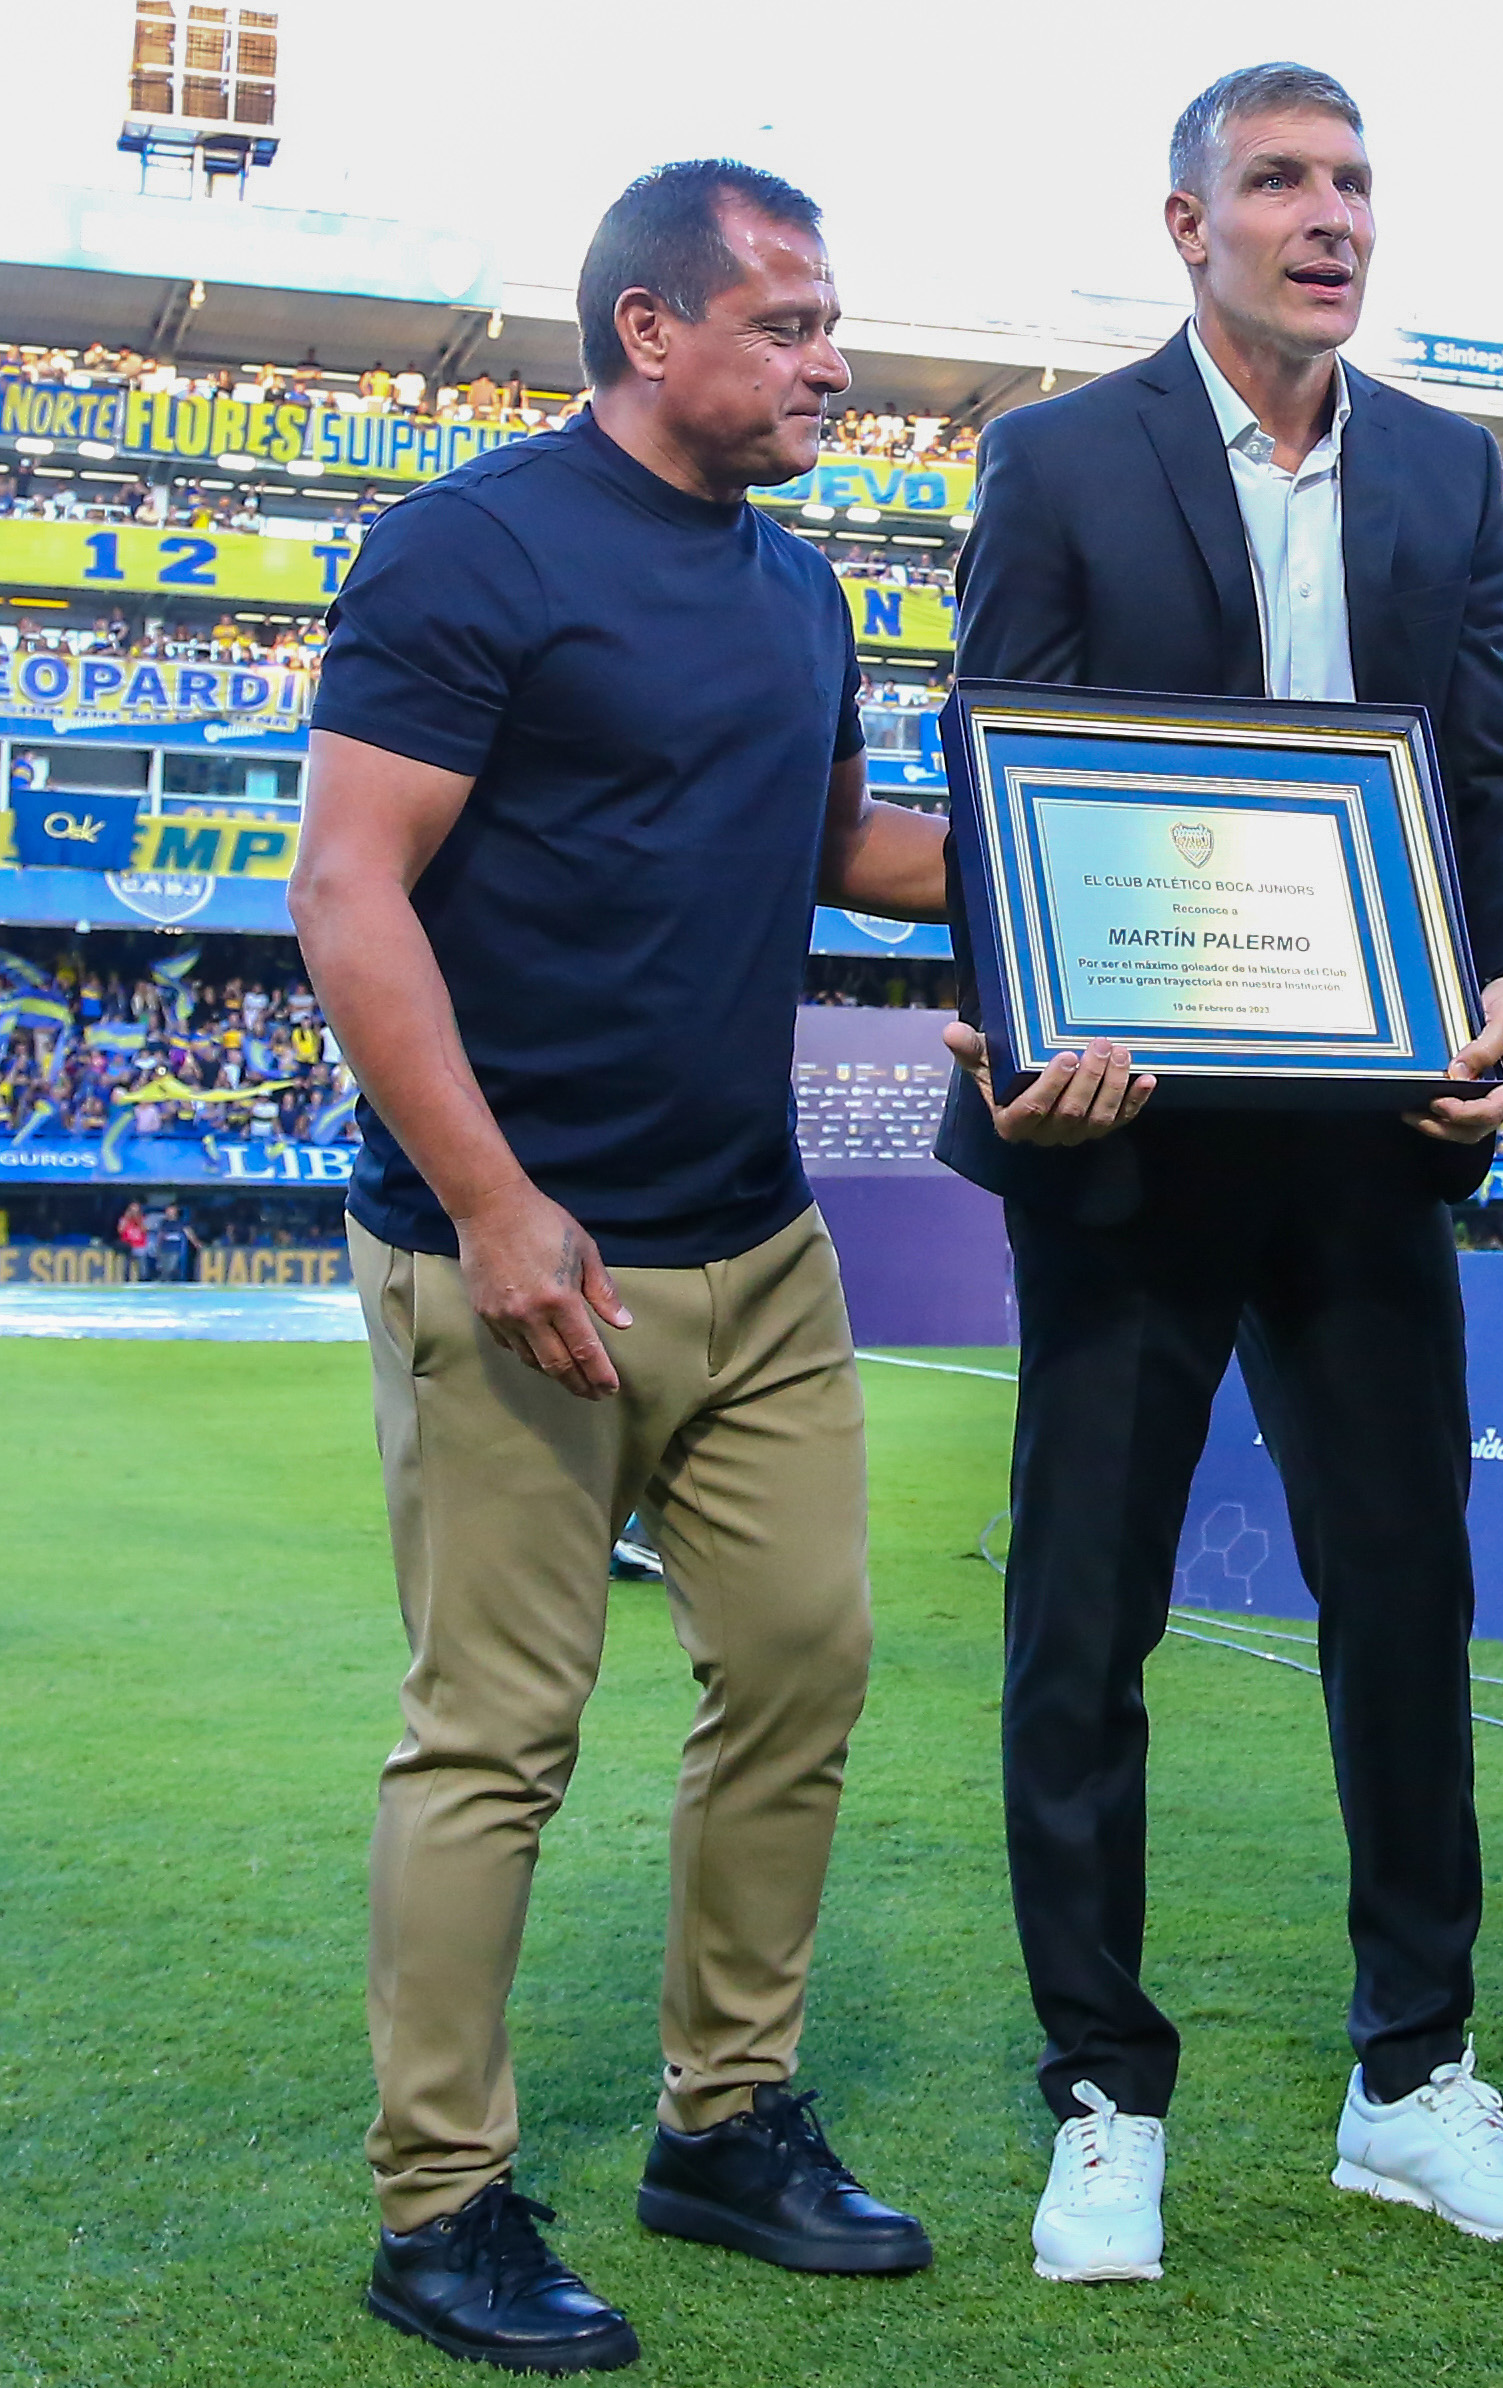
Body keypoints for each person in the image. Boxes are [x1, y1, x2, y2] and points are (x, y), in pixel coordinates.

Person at [291, 161, 973, 2372]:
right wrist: (490, 1205)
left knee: (799, 1668)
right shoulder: (469, 547)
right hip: (521, 1250)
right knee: (494, 1736)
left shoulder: (793, 592)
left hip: (752, 1242)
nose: (830, 364)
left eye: (828, 322)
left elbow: (844, 852)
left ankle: (724, 2117)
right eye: (784, 323)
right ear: (651, 331)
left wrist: (1108, 867)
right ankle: (442, 2203)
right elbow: (348, 892)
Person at [934, 62, 1503, 2284]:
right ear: (1188, 223)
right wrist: (1033, 1028)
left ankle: (1413, 2077)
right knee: (1078, 1624)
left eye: (1353, 184)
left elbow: (1498, 775)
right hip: (1128, 1150)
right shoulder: (1056, 455)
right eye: (1281, 183)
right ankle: (1101, 2093)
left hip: (1376, 1140)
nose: (1328, 219)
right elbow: (996, 758)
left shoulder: (1439, 465)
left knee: (1404, 1610)